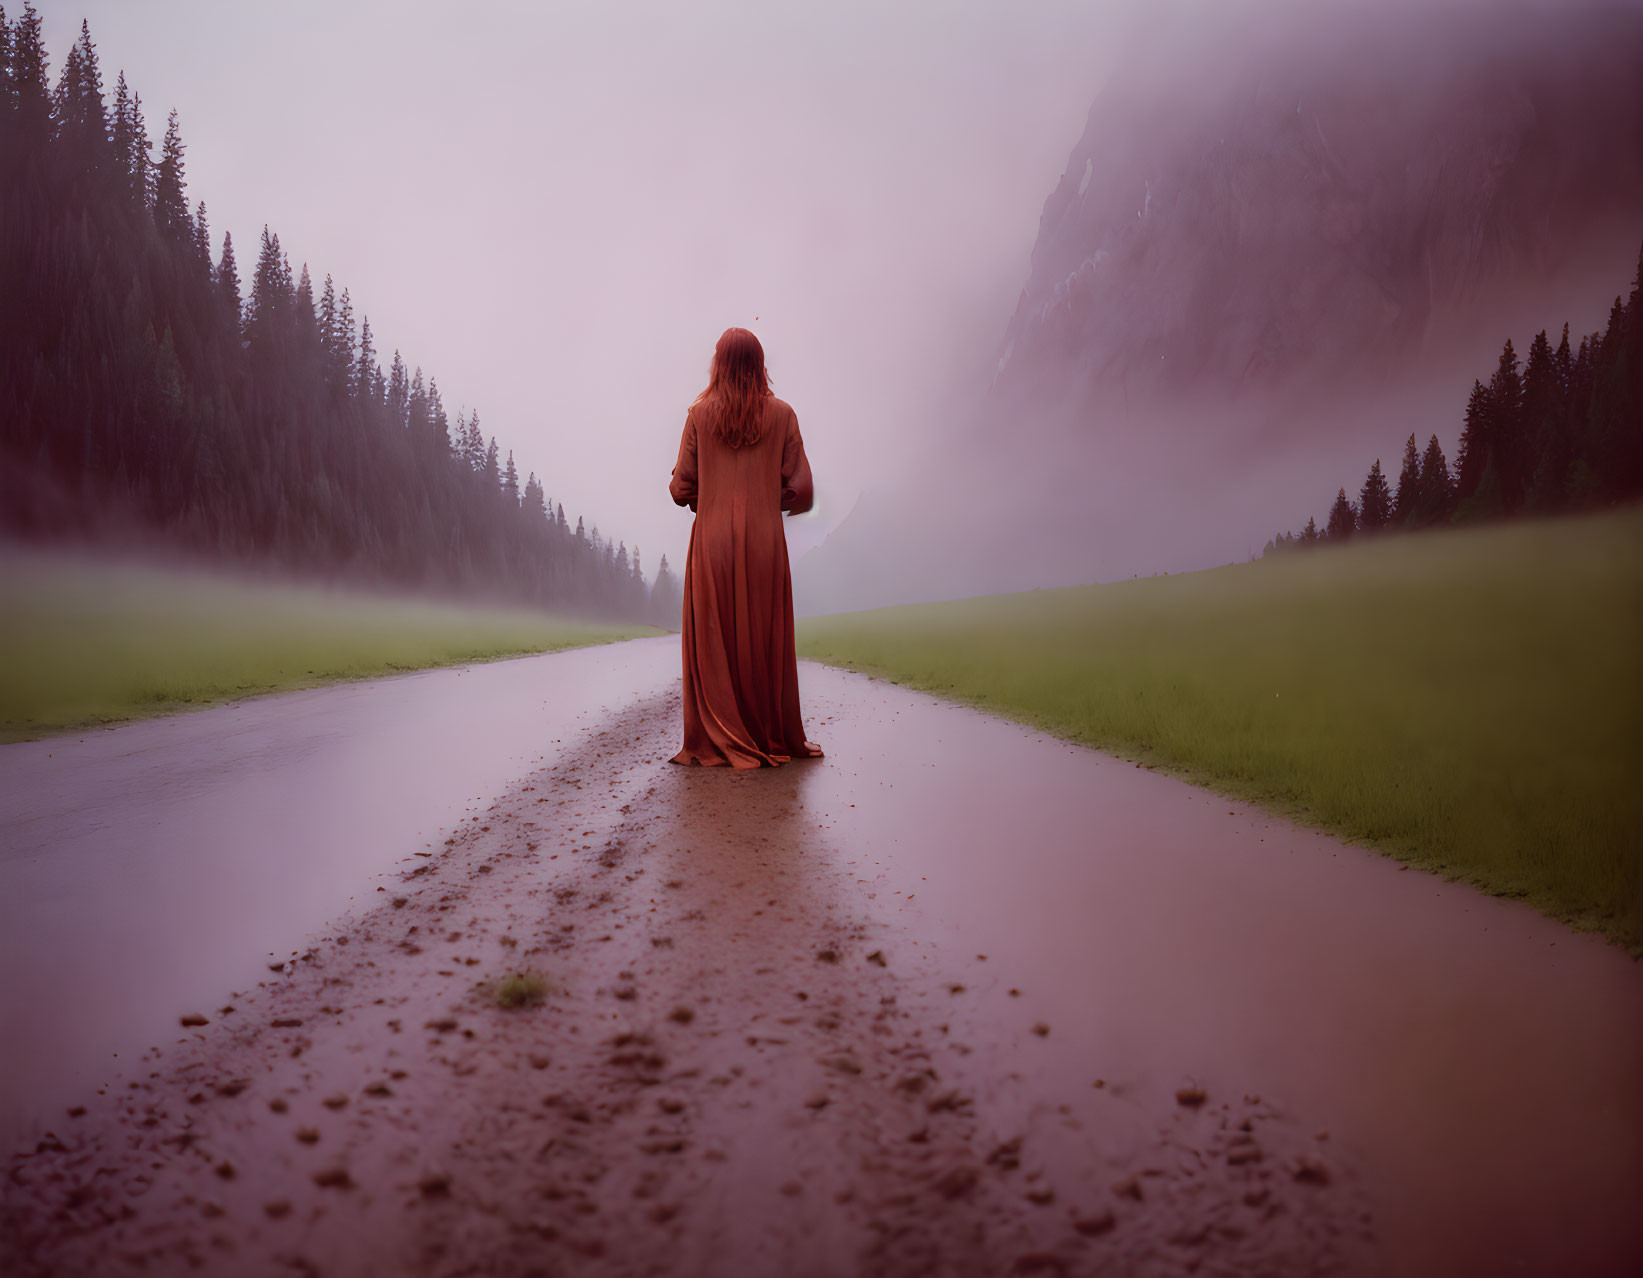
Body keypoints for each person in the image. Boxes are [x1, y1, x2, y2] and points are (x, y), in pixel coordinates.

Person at [667, 327, 824, 768]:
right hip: (764, 541)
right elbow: (802, 488)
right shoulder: (783, 415)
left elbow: (681, 489)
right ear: (759, 365)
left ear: (718, 364)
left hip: (713, 539)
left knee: (716, 641)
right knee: (762, 637)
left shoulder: (699, 416)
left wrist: (701, 489)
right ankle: (765, 734)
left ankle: (720, 736)